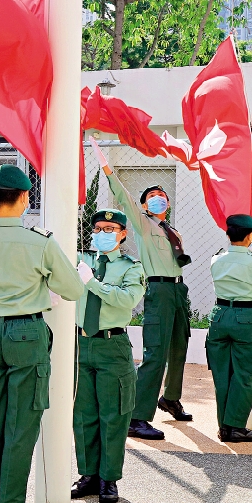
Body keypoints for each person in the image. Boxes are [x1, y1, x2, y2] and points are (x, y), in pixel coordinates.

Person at [0, 164, 84, 503]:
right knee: (21, 428)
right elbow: (73, 288)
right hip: (26, 332)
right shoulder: (41, 242)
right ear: (24, 197)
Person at [89, 137, 191, 441]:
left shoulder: (171, 229)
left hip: (177, 291)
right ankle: (137, 416)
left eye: (163, 196)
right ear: (145, 205)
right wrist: (107, 168)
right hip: (158, 291)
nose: (159, 199)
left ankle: (170, 397)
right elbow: (124, 197)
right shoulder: (144, 223)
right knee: (156, 353)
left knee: (178, 348)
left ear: (168, 204)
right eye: (152, 197)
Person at [71, 208, 144, 503]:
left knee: (113, 414)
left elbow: (127, 299)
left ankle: (109, 478)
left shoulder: (130, 267)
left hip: (112, 345)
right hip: (80, 344)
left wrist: (92, 283)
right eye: (99, 228)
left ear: (123, 234)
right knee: (84, 413)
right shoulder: (81, 259)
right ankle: (88, 475)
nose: (103, 234)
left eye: (110, 229)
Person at [206, 214, 252, 442]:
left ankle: (223, 428)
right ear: (250, 237)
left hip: (219, 316)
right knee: (245, 374)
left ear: (228, 235)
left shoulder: (216, 260)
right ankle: (235, 427)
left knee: (222, 374)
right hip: (248, 318)